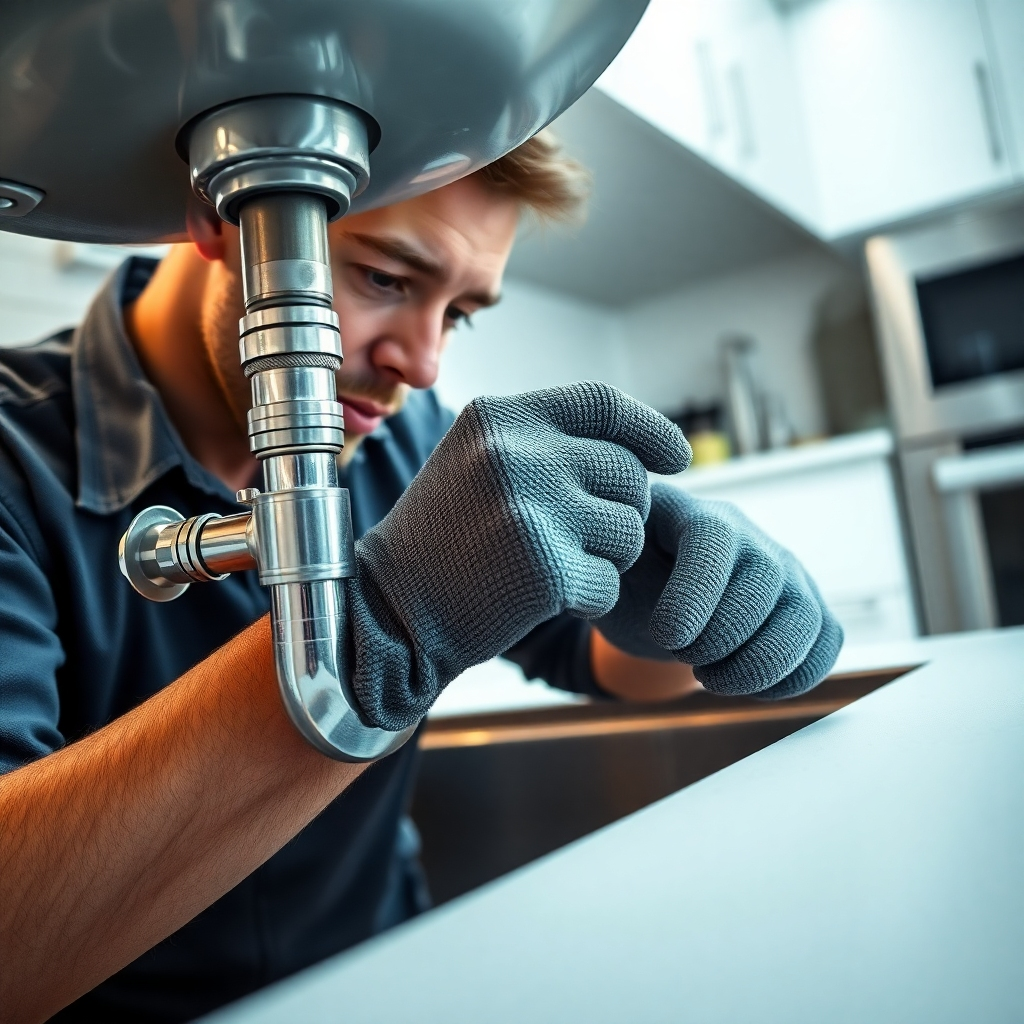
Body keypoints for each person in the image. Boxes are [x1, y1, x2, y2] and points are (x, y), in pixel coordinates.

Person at [0, 132, 842, 1023]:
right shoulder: (15, 460)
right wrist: (384, 634)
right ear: (221, 208)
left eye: (459, 313)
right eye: (385, 278)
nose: (424, 363)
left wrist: (689, 608)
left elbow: (595, 659)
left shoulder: (402, 439)